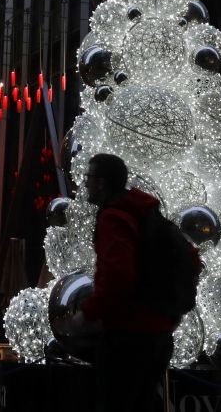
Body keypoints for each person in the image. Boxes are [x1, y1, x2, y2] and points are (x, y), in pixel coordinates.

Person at [73, 153, 184, 412]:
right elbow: (189, 257)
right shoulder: (145, 213)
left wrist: (87, 314)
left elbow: (118, 275)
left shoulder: (115, 217)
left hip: (129, 336)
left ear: (101, 182)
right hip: (158, 333)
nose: (84, 183)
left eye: (88, 177)